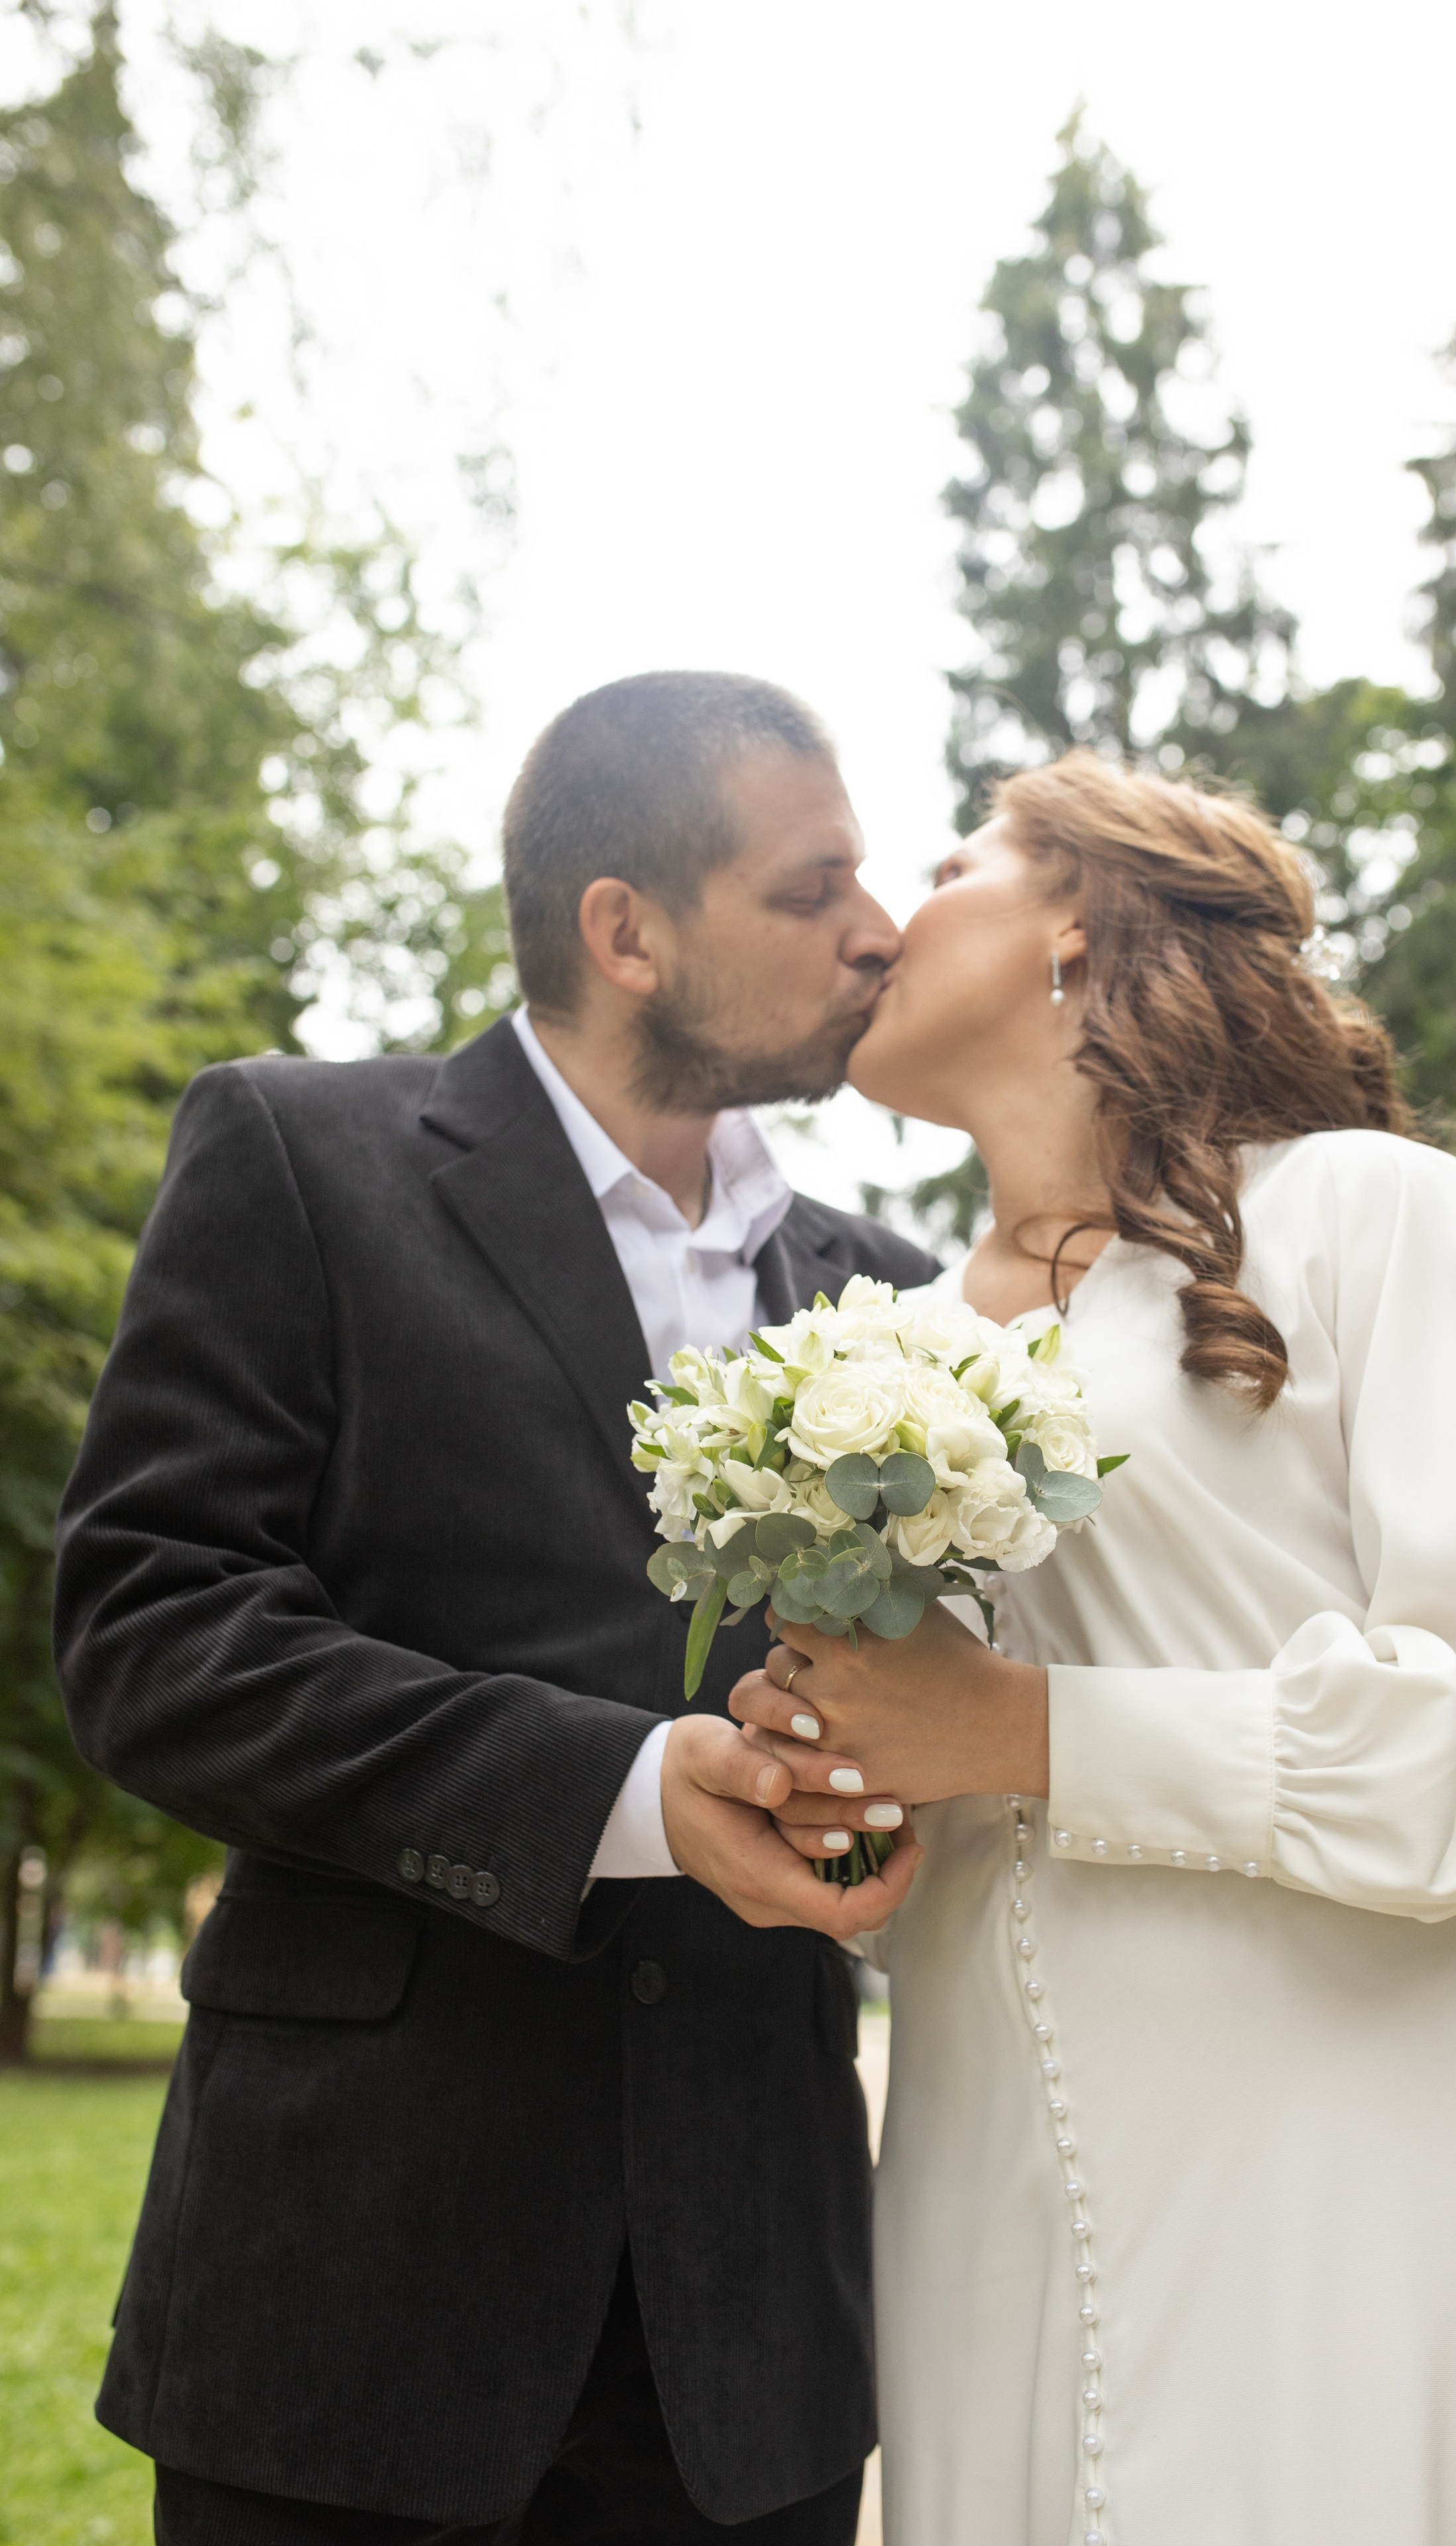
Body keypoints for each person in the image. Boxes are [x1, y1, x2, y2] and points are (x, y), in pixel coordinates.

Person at [732, 750, 1456, 2546]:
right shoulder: (885, 1337)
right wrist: (833, 1763)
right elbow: (937, 1775)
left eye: (946, 864)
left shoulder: (1364, 1215)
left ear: (1077, 914)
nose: (876, 926)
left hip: (1374, 2173)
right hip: (987, 2197)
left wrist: (1020, 1727)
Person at [53, 670, 930, 2546]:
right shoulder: (300, 1160)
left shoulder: (900, 1302)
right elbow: (151, 1634)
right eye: (813, 887)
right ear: (625, 929)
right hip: (354, 2300)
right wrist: (619, 1790)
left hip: (755, 2342)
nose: (882, 934)